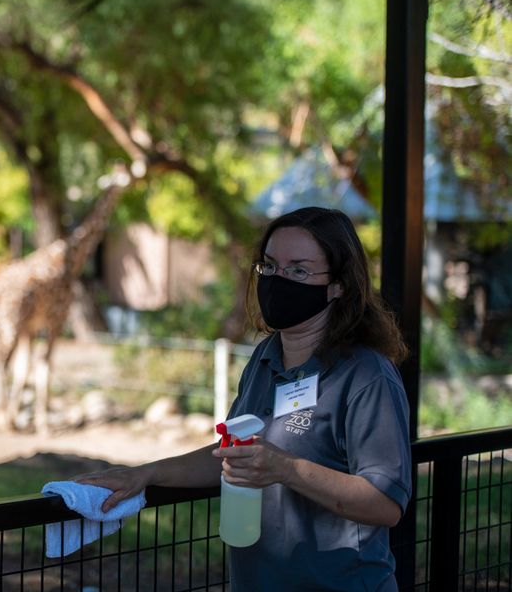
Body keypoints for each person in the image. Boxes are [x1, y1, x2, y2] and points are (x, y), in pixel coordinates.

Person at [75, 206, 412, 591]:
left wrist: (286, 468)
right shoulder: (265, 357)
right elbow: (233, 452)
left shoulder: (366, 375)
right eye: (269, 266)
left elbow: (385, 504)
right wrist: (146, 474)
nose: (278, 280)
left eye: (299, 270)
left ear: (339, 285)